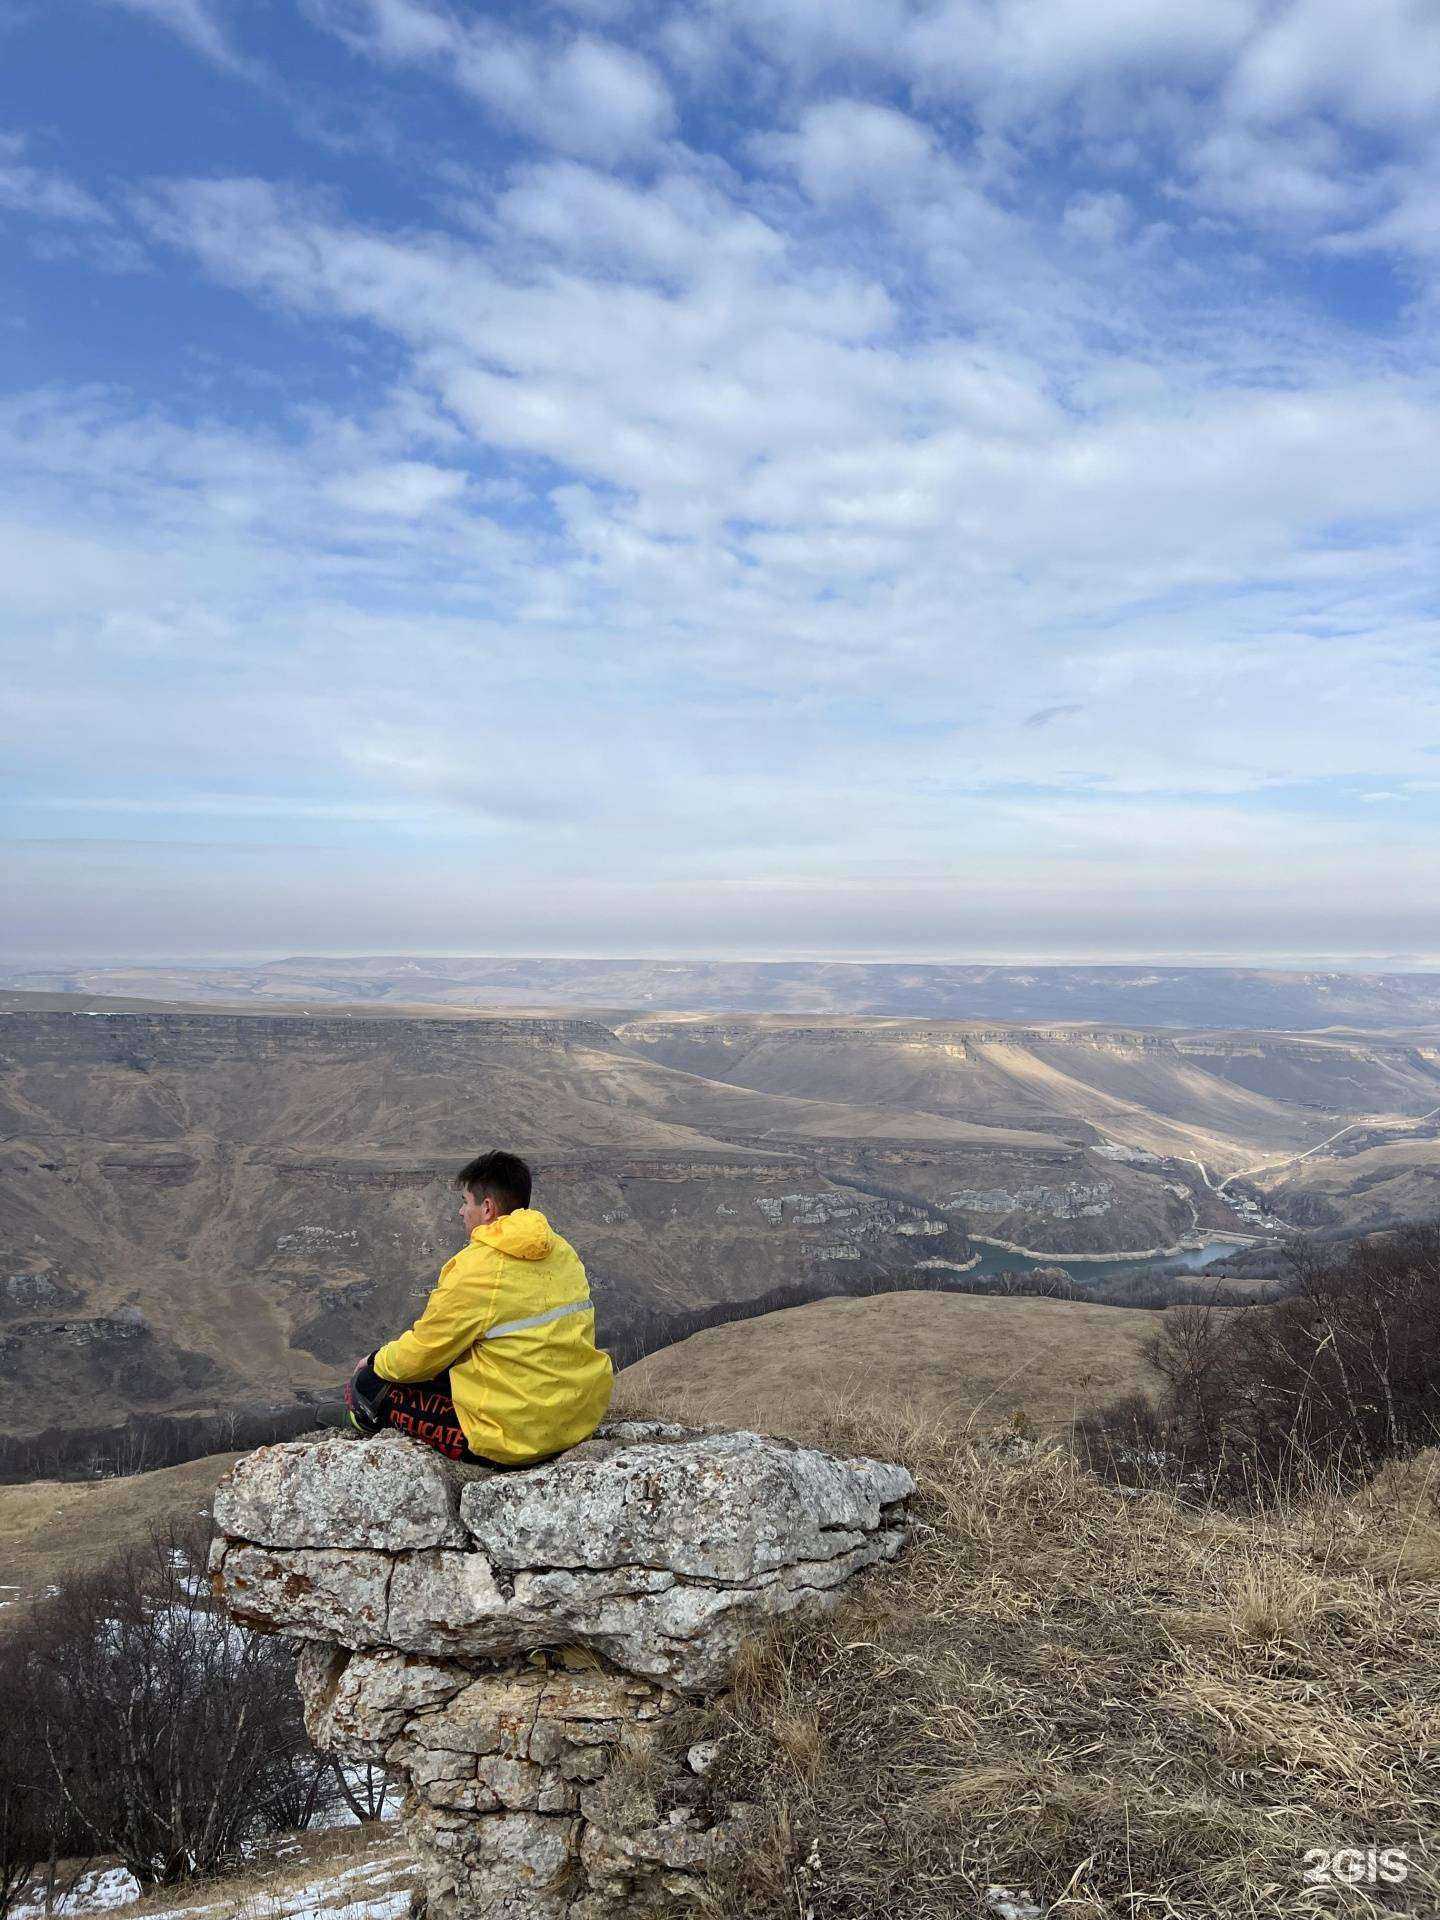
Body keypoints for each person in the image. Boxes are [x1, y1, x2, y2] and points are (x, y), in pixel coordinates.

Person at [345, 1149, 612, 1466]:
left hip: (515, 1439)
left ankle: (363, 1431)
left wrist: (374, 1360)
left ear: (487, 1208)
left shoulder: (477, 1268)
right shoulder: (561, 1250)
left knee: (368, 1386)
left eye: (465, 1201)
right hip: (575, 1418)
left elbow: (420, 1354)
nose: (461, 1212)